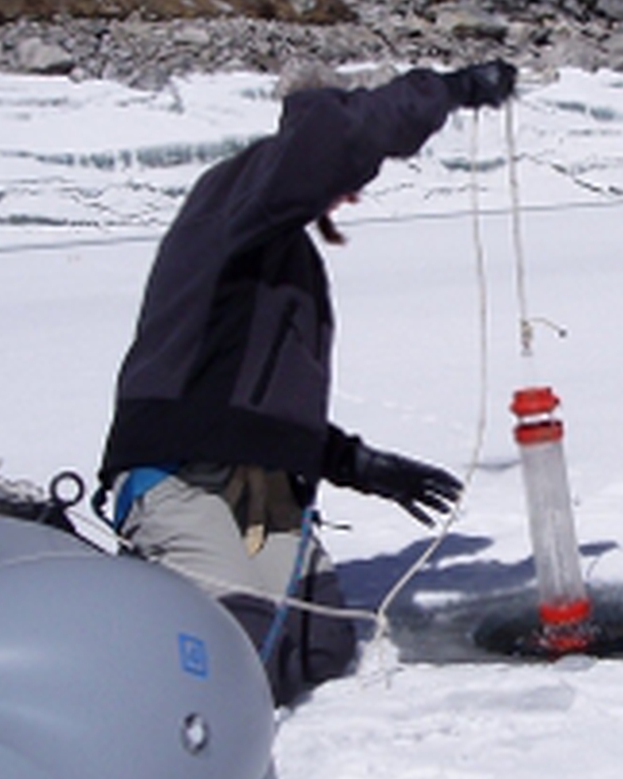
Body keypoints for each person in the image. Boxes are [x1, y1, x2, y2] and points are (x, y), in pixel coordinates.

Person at [100, 60, 517, 706]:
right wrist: (454, 90)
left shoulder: (277, 239)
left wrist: (352, 462)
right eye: (348, 163)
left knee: (317, 651)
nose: (353, 183)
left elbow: (251, 396)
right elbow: (330, 142)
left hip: (263, 486)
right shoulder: (235, 195)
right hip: (178, 474)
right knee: (242, 651)